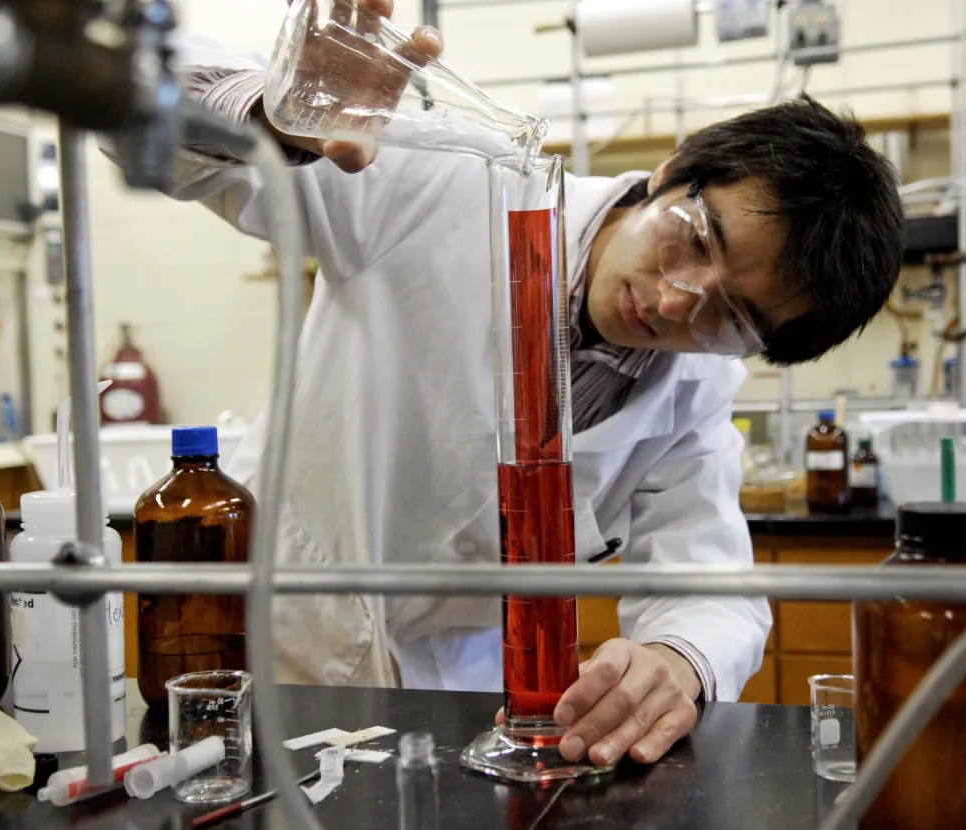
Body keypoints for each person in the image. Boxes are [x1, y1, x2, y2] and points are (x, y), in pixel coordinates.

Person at [137, 4, 905, 772]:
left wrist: (676, 661)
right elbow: (157, 106)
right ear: (671, 174)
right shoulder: (448, 184)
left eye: (732, 314)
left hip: (459, 708)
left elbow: (707, 583)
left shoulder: (694, 388)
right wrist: (278, 111)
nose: (678, 299)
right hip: (284, 655)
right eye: (697, 240)